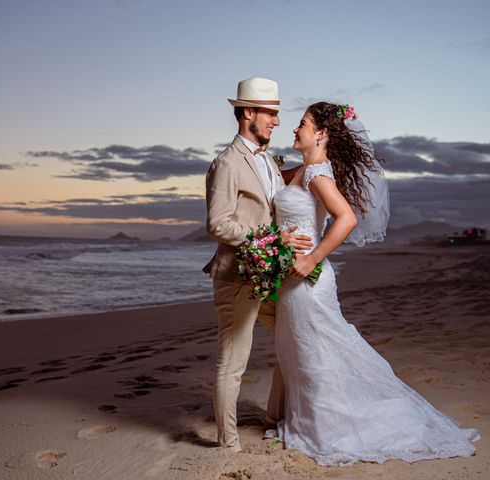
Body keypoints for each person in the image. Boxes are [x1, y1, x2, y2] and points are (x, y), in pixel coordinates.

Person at [270, 101, 480, 465]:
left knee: (317, 355)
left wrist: (311, 259)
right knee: (303, 352)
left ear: (321, 133)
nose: (294, 129)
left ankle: (326, 429)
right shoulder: (304, 170)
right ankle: (308, 420)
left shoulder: (318, 173)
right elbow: (277, 178)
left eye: (301, 124)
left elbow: (346, 219)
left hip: (307, 281)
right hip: (292, 283)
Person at [203, 77, 312, 452]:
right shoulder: (227, 163)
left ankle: (273, 417)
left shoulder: (268, 160)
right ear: (248, 112)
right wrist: (270, 240)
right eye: (271, 114)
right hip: (236, 277)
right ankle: (228, 441)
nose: (277, 122)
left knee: (294, 341)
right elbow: (218, 223)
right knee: (233, 362)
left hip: (268, 276)